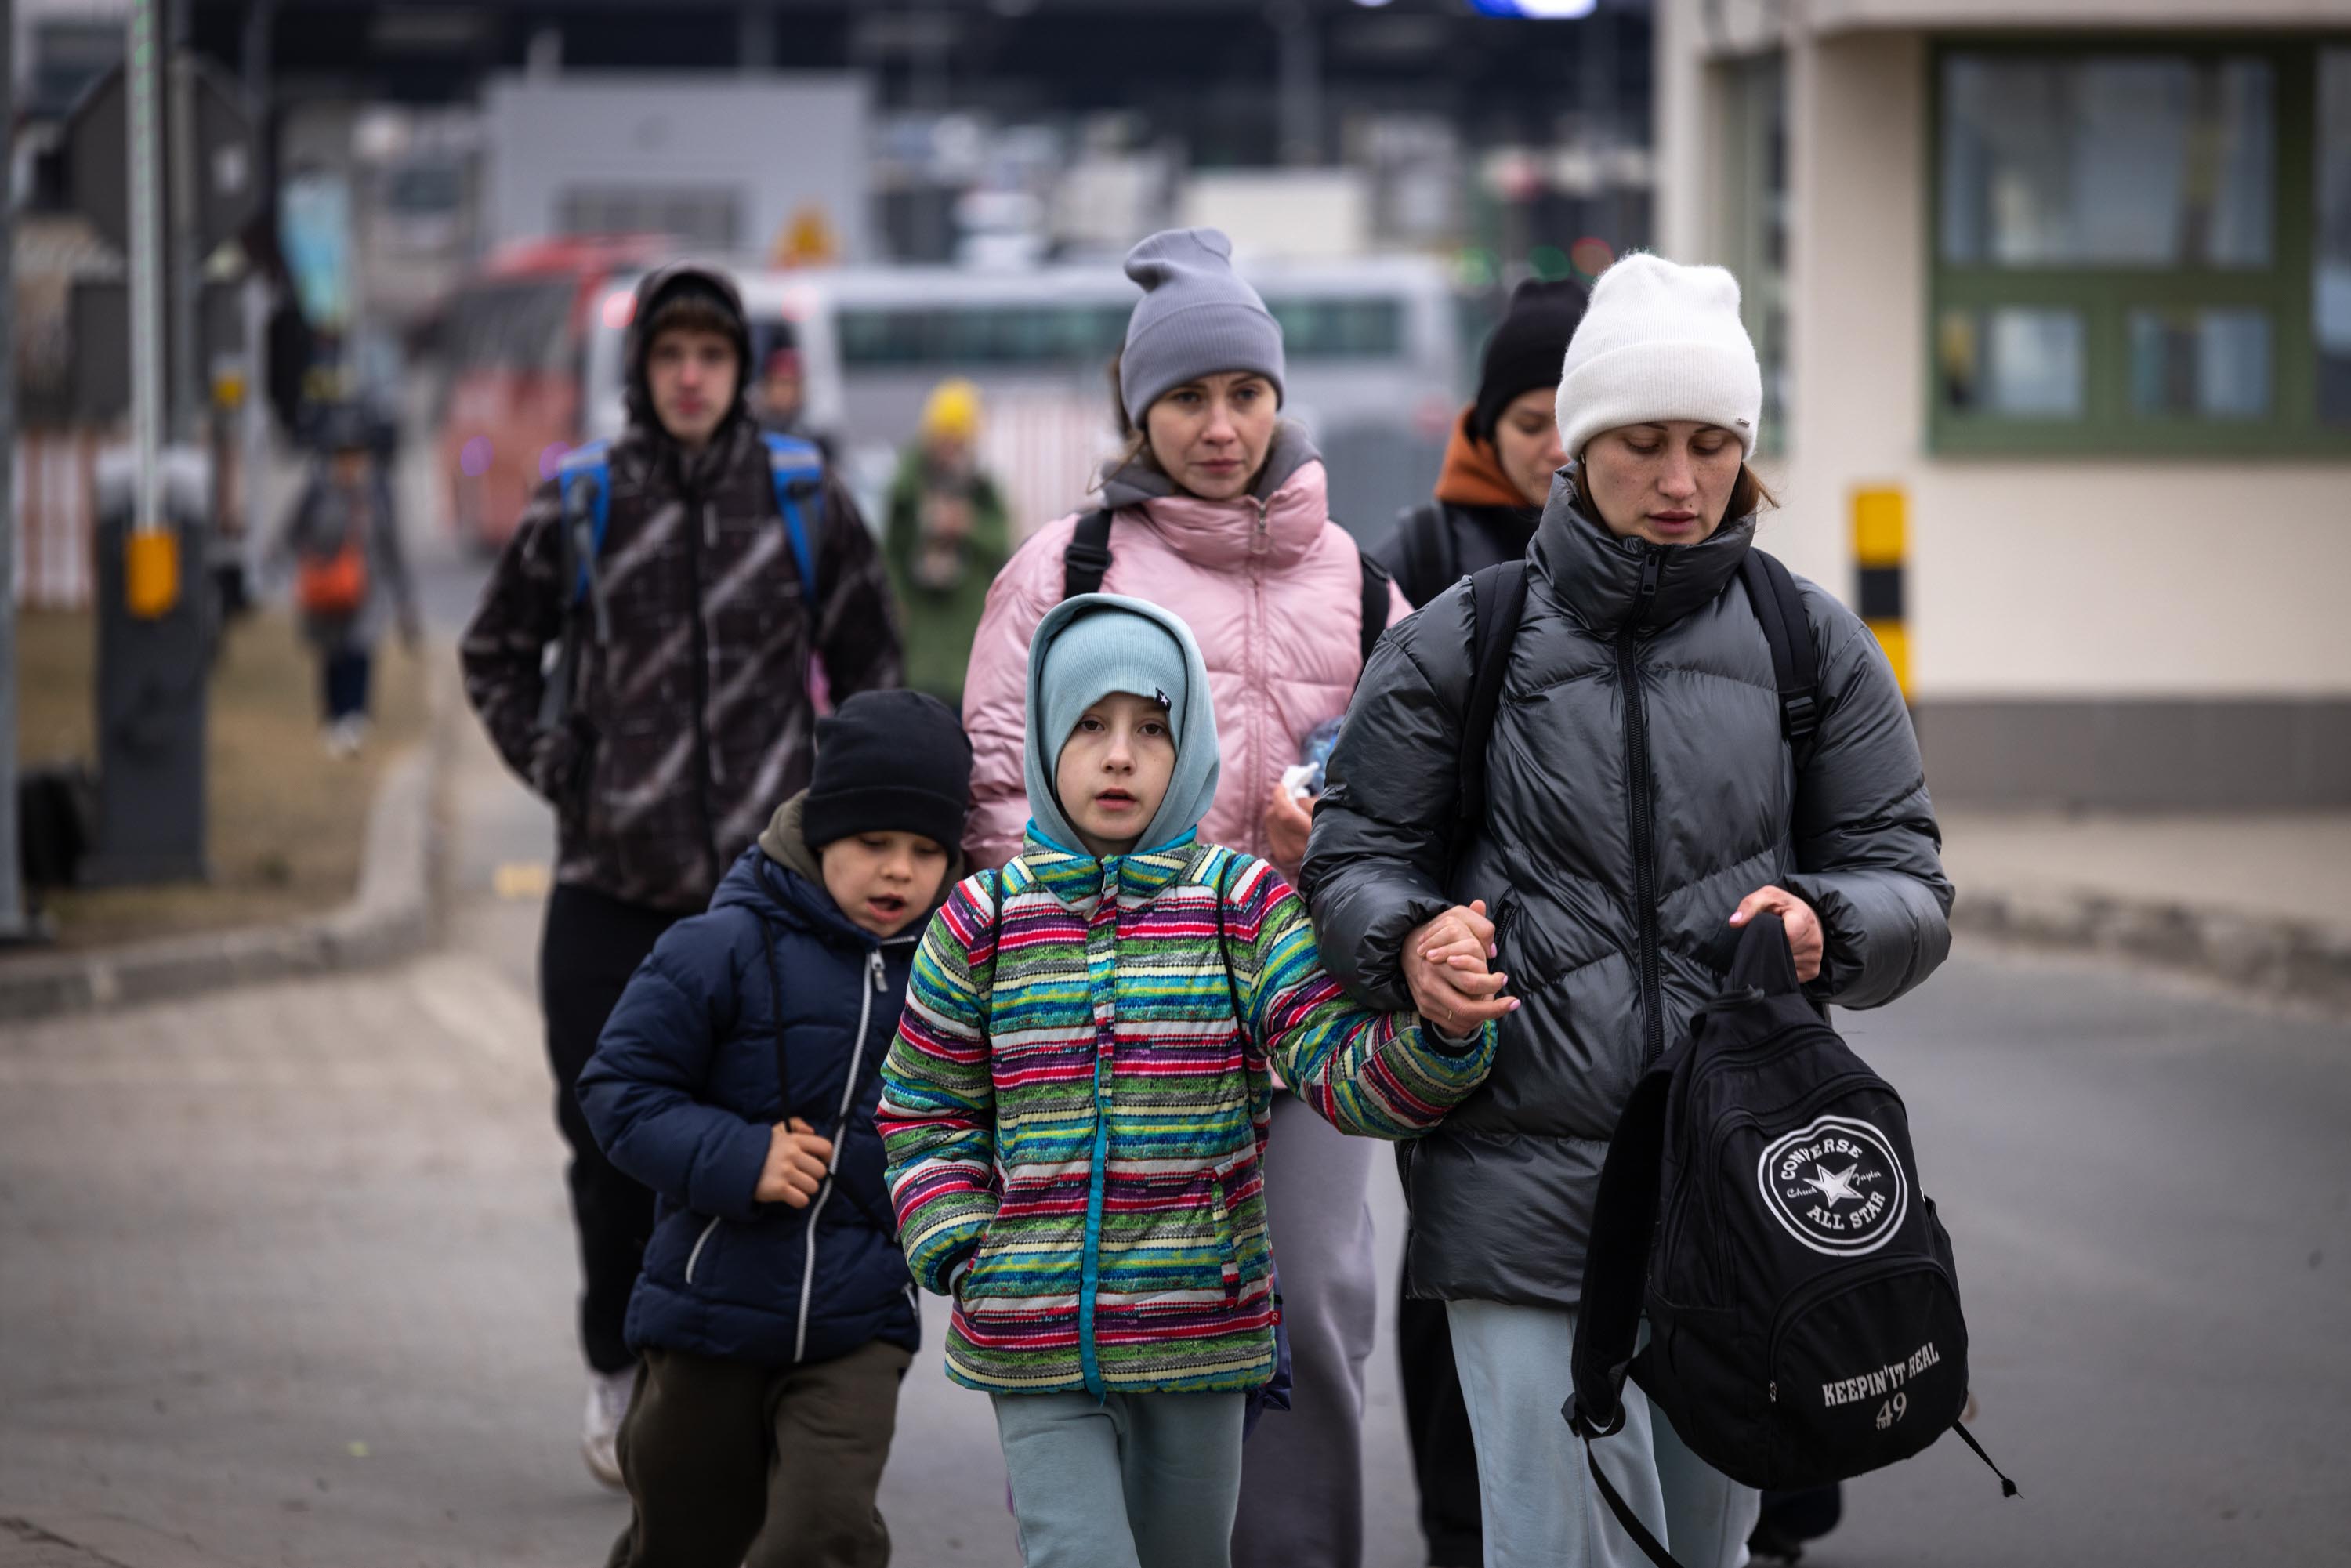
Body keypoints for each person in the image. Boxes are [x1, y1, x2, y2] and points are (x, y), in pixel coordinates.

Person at [1301, 252, 1954, 1568]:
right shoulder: (1464, 637)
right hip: (1515, 1193)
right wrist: (1411, 940)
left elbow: (1912, 885)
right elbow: (1351, 859)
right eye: (1644, 442)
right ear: (1578, 446)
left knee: (1704, 1554)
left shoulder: (1808, 640)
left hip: (1735, 1195)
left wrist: (1836, 919)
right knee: (1547, 1550)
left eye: (1711, 444)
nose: (1679, 479)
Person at [958, 226, 1415, 1568]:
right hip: (1114, 1018)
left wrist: (1330, 850)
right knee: (1134, 1320)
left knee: (1318, 1304)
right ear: (1138, 407)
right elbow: (998, 791)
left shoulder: (1371, 586)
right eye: (1188, 398)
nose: (1220, 427)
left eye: (1245, 394)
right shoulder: (1065, 569)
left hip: (1304, 1001)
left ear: (1280, 400)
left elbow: (1427, 802)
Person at [878, 593, 1505, 1568]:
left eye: (1151, 728)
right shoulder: (978, 921)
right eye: (1090, 724)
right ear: (1048, 735)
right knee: (1075, 1552)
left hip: (1200, 1331)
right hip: (1031, 1329)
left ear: (1191, 746)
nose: (1120, 755)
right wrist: (961, 1244)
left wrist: (1442, 1036)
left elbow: (1338, 1070)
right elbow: (923, 1106)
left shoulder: (1244, 906)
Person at [459, 262, 904, 1490]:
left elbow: (872, 665)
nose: (694, 376)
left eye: (715, 355)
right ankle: (619, 1362)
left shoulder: (804, 500)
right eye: (672, 356)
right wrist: (565, 770)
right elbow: (495, 650)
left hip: (766, 903)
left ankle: (750, 1386)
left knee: (782, 1145)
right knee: (609, 1145)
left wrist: (847, 816)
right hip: (610, 888)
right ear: (644, 373)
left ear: (746, 371)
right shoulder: (586, 500)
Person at [575, 689, 970, 1568]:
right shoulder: (721, 945)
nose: (899, 873)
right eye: (874, 844)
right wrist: (740, 1155)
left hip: (857, 1321)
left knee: (821, 1530)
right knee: (684, 1540)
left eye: (925, 851)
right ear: (821, 832)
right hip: (706, 1309)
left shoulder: (957, 977)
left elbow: (980, 1125)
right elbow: (619, 1089)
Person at [1368, 272, 1585, 1568]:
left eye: (1580, 412)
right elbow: (1373, 772)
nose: (1557, 444)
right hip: (1468, 978)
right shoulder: (1424, 553)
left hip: (1635, 982)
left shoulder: (1685, 558)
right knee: (1454, 1263)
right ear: (1485, 425)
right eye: (1532, 416)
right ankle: (1467, 1531)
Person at [1371, 277, 1585, 608]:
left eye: (1574, 423)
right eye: (1530, 426)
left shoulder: (1659, 539)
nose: (1558, 449)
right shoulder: (1424, 552)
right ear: (1489, 433)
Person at [273, 400, 418, 757]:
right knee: (332, 656)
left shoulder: (379, 493)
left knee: (360, 652)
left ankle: (355, 720)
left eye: (357, 454)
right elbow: (293, 535)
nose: (351, 463)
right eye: (345, 455)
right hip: (327, 590)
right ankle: (333, 720)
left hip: (368, 591)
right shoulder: (318, 490)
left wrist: (405, 604)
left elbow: (393, 548)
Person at [883, 378, 1012, 709]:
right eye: (945, 436)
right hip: (918, 643)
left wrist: (967, 526)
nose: (951, 447)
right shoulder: (907, 487)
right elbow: (888, 553)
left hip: (966, 640)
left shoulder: (982, 489)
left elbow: (1003, 545)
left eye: (960, 439)